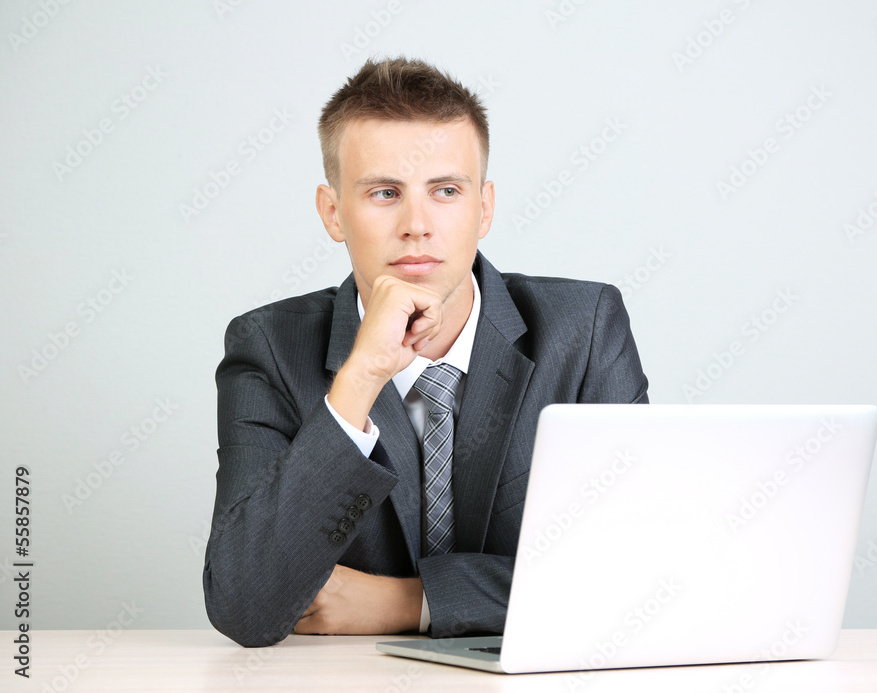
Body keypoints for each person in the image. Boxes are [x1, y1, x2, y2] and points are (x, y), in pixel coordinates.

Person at [203, 57, 648, 648]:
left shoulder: (584, 329)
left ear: (483, 208)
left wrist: (411, 602)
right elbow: (245, 603)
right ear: (333, 212)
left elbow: (640, 578)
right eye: (385, 193)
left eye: (445, 191)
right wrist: (359, 378)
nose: (417, 224)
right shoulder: (268, 348)